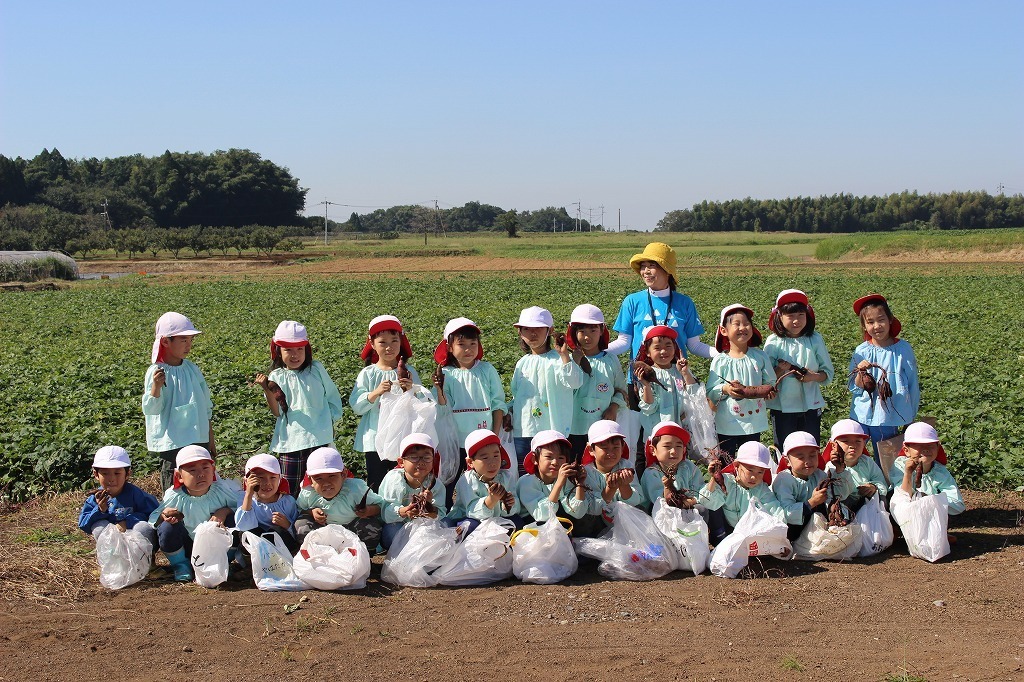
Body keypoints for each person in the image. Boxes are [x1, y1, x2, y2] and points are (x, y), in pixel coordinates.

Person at [607, 242, 714, 409]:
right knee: (641, 425)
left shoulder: (684, 303)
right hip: (639, 379)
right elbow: (624, 342)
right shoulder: (632, 301)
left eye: (652, 266)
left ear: (667, 270)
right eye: (643, 266)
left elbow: (694, 345)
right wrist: (596, 351)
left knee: (675, 424)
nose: (646, 271)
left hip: (676, 379)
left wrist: (723, 354)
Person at [254, 320, 343, 497]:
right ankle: (290, 514)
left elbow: (332, 396)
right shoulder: (277, 376)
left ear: (306, 349)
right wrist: (266, 389)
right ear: (278, 351)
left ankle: (317, 513)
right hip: (291, 441)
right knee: (290, 489)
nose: (295, 355)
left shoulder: (316, 369)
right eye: (288, 350)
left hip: (319, 438)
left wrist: (330, 422)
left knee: (321, 487)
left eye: (299, 349)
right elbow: (277, 411)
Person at [431, 317, 506, 507]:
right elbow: (442, 407)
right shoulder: (446, 374)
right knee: (450, 479)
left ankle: (485, 511)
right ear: (449, 347)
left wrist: (494, 435)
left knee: (483, 480)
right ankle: (447, 513)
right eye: (461, 344)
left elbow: (498, 404)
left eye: (473, 344)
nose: (468, 349)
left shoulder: (487, 370)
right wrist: (439, 389)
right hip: (456, 441)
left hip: (484, 440)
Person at [142, 312, 214, 492]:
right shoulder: (157, 372)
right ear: (166, 342)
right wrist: (156, 387)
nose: (188, 345)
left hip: (198, 438)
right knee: (174, 488)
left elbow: (205, 405)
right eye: (183, 340)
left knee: (201, 487)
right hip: (172, 443)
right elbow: (151, 410)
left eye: (190, 340)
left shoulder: (192, 369)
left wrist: (210, 438)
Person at [507, 306, 582, 476]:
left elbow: (575, 382)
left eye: (538, 329)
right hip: (524, 429)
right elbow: (517, 395)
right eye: (527, 329)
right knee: (525, 475)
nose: (532, 334)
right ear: (520, 332)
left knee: (553, 475)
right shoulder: (522, 363)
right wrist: (509, 412)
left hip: (553, 431)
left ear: (550, 331)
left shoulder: (560, 359)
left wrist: (565, 356)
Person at [350, 315, 421, 491]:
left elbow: (422, 404)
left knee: (402, 479)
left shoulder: (409, 372)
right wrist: (376, 392)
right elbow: (357, 406)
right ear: (372, 344)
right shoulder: (368, 373)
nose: (389, 347)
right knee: (377, 479)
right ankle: (376, 507)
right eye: (382, 342)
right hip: (375, 438)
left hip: (402, 435)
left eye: (394, 341)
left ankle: (402, 506)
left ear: (401, 342)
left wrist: (411, 389)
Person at [148, 445, 238, 582]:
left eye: (205, 468)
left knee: (235, 520)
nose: (200, 474)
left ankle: (223, 563)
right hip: (186, 547)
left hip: (215, 546)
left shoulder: (221, 490)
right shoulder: (174, 495)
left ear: (213, 470)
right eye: (192, 470)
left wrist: (224, 511)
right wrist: (164, 515)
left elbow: (242, 510)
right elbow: (153, 519)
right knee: (166, 527)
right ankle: (181, 565)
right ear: (179, 476)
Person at [848, 294, 920, 464]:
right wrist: (861, 372)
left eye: (881, 320)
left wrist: (911, 415)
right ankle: (860, 478)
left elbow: (912, 383)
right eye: (870, 322)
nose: (877, 326)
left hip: (889, 414)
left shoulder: (903, 349)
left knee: (887, 458)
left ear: (890, 320)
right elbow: (854, 386)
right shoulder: (861, 351)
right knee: (855, 455)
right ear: (864, 326)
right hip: (862, 413)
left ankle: (886, 480)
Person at [763, 290, 834, 449]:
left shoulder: (815, 339)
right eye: (790, 316)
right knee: (784, 448)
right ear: (779, 316)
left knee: (810, 446)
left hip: (811, 405)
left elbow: (827, 373)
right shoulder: (774, 342)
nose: (796, 321)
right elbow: (765, 378)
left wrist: (812, 376)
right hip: (782, 408)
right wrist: (780, 370)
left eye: (801, 315)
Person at [706, 304, 775, 456]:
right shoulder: (720, 360)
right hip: (727, 422)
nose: (743, 327)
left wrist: (769, 391)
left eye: (746, 324)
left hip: (753, 420)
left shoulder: (760, 356)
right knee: (726, 459)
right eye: (737, 324)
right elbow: (710, 391)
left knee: (752, 457)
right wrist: (726, 389)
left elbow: (771, 382)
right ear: (723, 330)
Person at [565, 304, 628, 459]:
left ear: (601, 331)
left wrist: (613, 407)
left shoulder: (611, 360)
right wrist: (574, 362)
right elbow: (563, 390)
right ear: (574, 333)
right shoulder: (568, 361)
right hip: (574, 427)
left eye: (593, 330)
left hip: (603, 427)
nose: (587, 337)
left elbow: (621, 390)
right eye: (582, 331)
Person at [295, 447, 384, 553]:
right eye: (319, 478)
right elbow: (300, 510)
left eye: (332, 476)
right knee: (301, 524)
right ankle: (317, 554)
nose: (326, 483)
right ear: (310, 480)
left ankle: (365, 554)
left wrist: (368, 510)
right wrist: (312, 512)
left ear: (343, 475)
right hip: (324, 533)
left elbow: (380, 506)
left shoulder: (356, 489)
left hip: (352, 530)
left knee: (370, 525)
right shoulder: (308, 493)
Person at [699, 441, 785, 543]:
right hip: (728, 530)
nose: (754, 477)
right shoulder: (726, 482)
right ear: (737, 465)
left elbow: (775, 511)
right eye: (750, 470)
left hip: (752, 532)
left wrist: (780, 535)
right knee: (715, 510)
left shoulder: (761, 489)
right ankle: (719, 540)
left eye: (760, 472)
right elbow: (707, 501)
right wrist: (714, 479)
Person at [771, 432, 852, 541]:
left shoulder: (819, 475)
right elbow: (786, 514)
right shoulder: (784, 480)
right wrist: (812, 502)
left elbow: (841, 495)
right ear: (787, 461)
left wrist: (840, 469)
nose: (808, 461)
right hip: (794, 530)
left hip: (817, 526)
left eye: (812, 455)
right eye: (801, 457)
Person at [78, 445, 158, 550]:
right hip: (112, 547)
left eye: (117, 473)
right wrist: (100, 510)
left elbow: (153, 514)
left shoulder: (135, 493)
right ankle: (110, 558)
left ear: (127, 473)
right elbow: (84, 524)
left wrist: (127, 522)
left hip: (135, 543)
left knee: (143, 527)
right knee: (99, 527)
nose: (111, 479)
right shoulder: (96, 498)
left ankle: (145, 558)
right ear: (96, 474)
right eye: (105, 473)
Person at [378, 433, 448, 551]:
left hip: (423, 526)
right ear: (401, 462)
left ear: (433, 460)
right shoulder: (394, 479)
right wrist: (405, 511)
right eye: (414, 457)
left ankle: (421, 551)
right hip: (398, 524)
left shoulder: (436, 485)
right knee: (392, 531)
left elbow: (440, 514)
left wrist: (429, 507)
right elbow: (385, 513)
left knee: (446, 523)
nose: (421, 462)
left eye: (427, 457)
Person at [635, 325, 699, 449]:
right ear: (647, 352)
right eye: (657, 348)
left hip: (680, 430)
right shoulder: (647, 375)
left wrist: (685, 373)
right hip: (656, 433)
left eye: (668, 346)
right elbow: (649, 408)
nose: (664, 351)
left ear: (675, 348)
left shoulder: (680, 371)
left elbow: (695, 394)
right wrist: (646, 385)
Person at [449, 429, 524, 533]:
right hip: (472, 518)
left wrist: (509, 504)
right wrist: (490, 501)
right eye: (485, 458)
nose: (492, 463)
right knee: (469, 527)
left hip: (497, 519)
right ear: (470, 462)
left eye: (496, 456)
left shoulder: (506, 476)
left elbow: (516, 507)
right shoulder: (467, 480)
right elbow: (471, 511)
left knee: (518, 522)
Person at [888, 422, 964, 516]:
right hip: (902, 516)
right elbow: (902, 498)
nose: (926, 449)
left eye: (930, 445)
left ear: (937, 448)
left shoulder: (939, 472)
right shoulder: (900, 466)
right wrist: (908, 473)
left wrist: (931, 500)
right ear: (906, 450)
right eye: (919, 446)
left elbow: (958, 505)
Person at [580, 420, 642, 532]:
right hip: (598, 522)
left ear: (622, 447)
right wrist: (610, 489)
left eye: (616, 447)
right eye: (604, 448)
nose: (611, 453)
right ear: (591, 450)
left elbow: (635, 501)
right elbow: (593, 508)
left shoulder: (626, 466)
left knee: (640, 510)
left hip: (623, 520)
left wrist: (624, 485)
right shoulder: (586, 473)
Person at [516, 430, 588, 524]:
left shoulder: (566, 479)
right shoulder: (526, 482)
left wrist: (580, 484)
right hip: (532, 524)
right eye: (549, 457)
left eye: (561, 458)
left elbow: (578, 513)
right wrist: (559, 484)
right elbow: (542, 516)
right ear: (535, 459)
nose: (555, 462)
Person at [234, 453, 300, 554]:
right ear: (248, 481)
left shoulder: (287, 502)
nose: (267, 483)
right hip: (256, 550)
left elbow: (297, 533)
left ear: (280, 479)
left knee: (277, 531)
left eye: (273, 477)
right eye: (260, 478)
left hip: (281, 551)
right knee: (248, 534)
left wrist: (287, 525)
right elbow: (243, 527)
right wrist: (249, 494)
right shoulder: (246, 500)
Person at [823, 419, 888, 512]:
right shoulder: (831, 467)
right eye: (846, 441)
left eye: (858, 441)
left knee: (882, 499)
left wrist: (873, 487)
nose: (853, 446)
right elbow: (835, 494)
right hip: (845, 507)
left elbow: (882, 482)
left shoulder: (867, 462)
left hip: (867, 505)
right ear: (834, 446)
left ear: (864, 444)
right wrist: (840, 470)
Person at [639, 421, 704, 510]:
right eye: (667, 446)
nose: (673, 451)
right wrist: (668, 486)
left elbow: (699, 493)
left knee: (703, 509)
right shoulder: (652, 473)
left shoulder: (689, 467)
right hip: (662, 513)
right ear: (653, 450)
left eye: (678, 446)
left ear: (684, 449)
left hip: (689, 507)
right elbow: (664, 503)